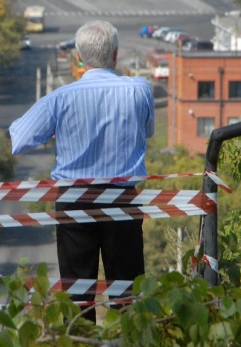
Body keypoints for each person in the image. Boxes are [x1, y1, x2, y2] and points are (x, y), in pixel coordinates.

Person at [9, 20, 154, 322]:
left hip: (75, 202)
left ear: (78, 57)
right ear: (115, 56)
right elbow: (148, 131)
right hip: (122, 201)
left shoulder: (61, 98)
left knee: (77, 297)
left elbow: (19, 140)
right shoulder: (139, 90)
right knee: (129, 295)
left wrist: (55, 127)